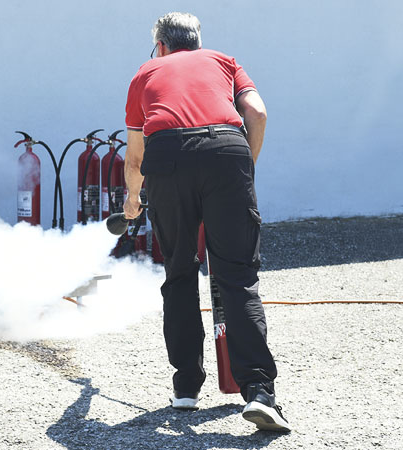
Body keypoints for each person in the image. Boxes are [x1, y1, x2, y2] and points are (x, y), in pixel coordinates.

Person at [122, 12, 289, 432]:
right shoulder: (225, 61)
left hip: (169, 159)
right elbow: (258, 112)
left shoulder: (146, 72)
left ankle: (186, 389)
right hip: (227, 151)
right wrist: (241, 168)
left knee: (179, 273)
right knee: (238, 277)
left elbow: (136, 155)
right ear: (197, 42)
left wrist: (131, 199)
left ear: (160, 46)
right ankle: (260, 394)